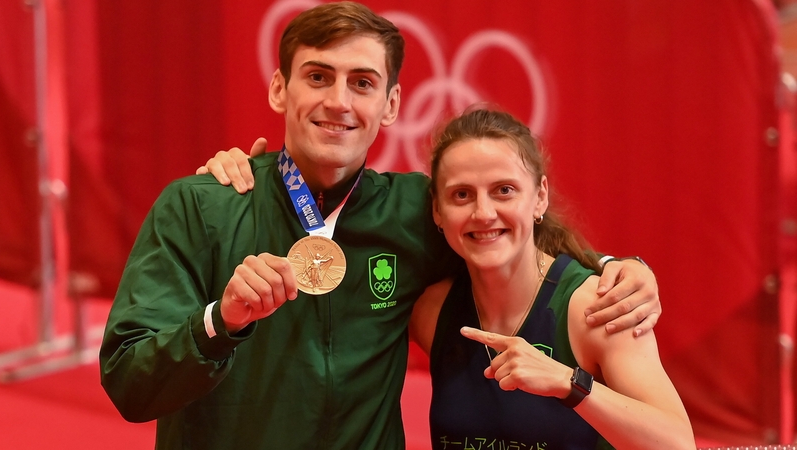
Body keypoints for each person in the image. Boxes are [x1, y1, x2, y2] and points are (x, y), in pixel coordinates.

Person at [100, 2, 661, 449]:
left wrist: (617, 267)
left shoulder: (416, 210)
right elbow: (129, 384)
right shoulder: (201, 208)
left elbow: (515, 241)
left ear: (391, 103)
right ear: (279, 89)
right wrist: (217, 323)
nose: (338, 101)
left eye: (362, 83)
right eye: (317, 76)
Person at [412, 107, 694, 449]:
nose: (483, 213)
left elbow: (677, 443)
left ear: (539, 196)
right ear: (437, 210)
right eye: (462, 194)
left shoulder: (596, 307)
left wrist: (568, 382)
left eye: (504, 190)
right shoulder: (430, 310)